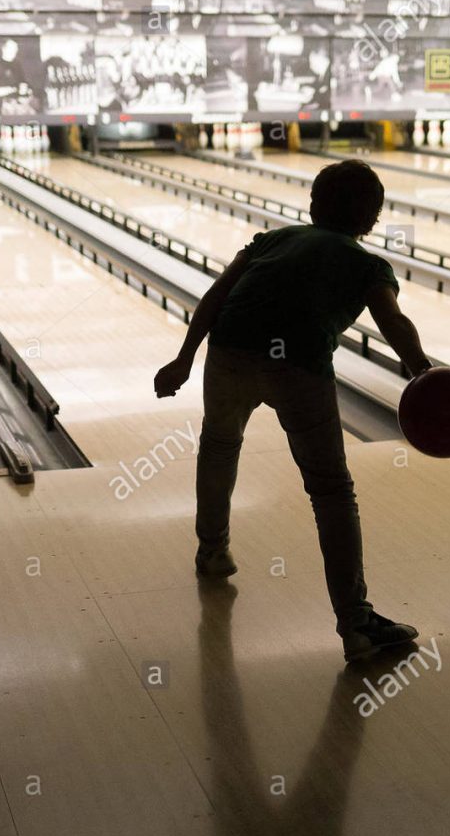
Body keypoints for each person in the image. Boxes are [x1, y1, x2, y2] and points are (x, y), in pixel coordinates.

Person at [154, 159, 433, 662]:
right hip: (298, 366)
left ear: (311, 204)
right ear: (372, 219)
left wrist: (184, 358)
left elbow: (216, 296)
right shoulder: (369, 265)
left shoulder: (270, 240)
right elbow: (394, 322)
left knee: (219, 446)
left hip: (230, 351)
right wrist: (425, 376)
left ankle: (212, 551)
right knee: (330, 490)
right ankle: (356, 622)